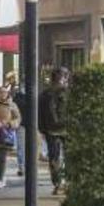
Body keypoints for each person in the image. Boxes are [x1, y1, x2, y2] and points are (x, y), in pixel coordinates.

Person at [38, 67, 70, 195]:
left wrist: (42, 129)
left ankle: (59, 183)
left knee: (56, 157)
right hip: (59, 129)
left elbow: (39, 114)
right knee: (58, 158)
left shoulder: (46, 93)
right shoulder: (64, 93)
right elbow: (40, 113)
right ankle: (60, 182)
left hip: (57, 129)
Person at [4, 71, 30, 177]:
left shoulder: (32, 93)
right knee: (21, 146)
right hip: (21, 123)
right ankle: (22, 166)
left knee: (26, 147)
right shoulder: (14, 93)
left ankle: (25, 166)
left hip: (29, 124)